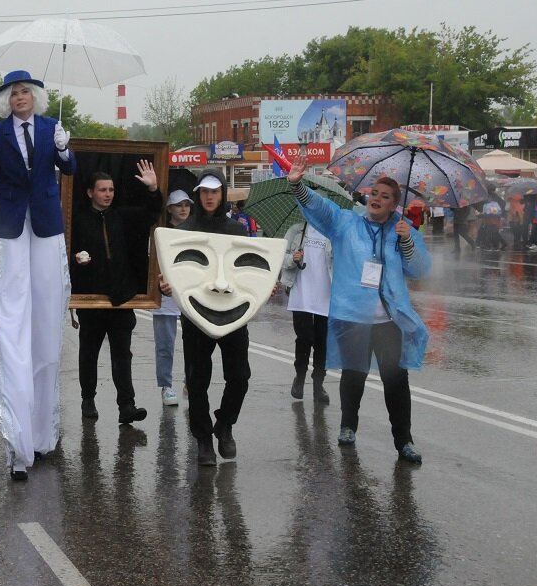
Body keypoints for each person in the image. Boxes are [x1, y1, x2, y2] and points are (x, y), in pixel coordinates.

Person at [0, 69, 76, 482]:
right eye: (13, 93)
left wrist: (63, 150)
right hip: (10, 227)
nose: (20, 98)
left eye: (25, 92)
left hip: (45, 225)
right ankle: (17, 439)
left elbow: (72, 168)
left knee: (46, 325)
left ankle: (43, 435)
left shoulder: (51, 128)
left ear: (36, 97)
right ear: (6, 101)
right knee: (12, 320)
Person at [288, 153, 432, 464]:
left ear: (394, 204)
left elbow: (420, 269)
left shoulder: (402, 230)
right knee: (354, 375)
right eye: (374, 193)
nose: (376, 199)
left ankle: (404, 440)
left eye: (385, 197)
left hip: (388, 320)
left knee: (396, 380)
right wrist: (299, 186)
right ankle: (347, 426)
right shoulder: (346, 224)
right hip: (354, 317)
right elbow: (321, 210)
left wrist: (407, 242)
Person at [71, 163, 161, 425]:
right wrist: (77, 258)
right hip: (91, 296)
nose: (108, 194)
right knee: (89, 352)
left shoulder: (121, 216)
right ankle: (88, 399)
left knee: (122, 354)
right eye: (102, 190)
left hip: (121, 296)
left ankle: (127, 406)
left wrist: (153, 188)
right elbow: (68, 248)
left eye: (111, 189)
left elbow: (151, 214)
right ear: (90, 193)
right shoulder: (77, 219)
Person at [175, 169, 253, 467]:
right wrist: (166, 284)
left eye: (214, 191)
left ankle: (224, 425)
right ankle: (204, 439)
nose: (209, 197)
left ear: (222, 194)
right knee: (197, 381)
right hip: (195, 316)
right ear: (198, 195)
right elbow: (174, 270)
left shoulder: (237, 231)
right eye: (204, 191)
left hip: (233, 314)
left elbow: (247, 269)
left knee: (240, 377)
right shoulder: (184, 231)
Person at [280, 219, 332, 403]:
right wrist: (292, 258)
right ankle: (299, 378)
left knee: (322, 342)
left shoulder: (332, 232)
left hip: (325, 295)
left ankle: (318, 385)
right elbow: (280, 256)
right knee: (304, 339)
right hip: (301, 293)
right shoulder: (297, 230)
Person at [152, 190, 192, 407]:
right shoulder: (161, 234)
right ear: (169, 209)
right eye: (178, 205)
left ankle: (190, 382)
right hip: (166, 297)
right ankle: (166, 386)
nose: (184, 208)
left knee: (193, 344)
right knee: (165, 345)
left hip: (190, 296)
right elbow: (153, 261)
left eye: (186, 204)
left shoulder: (196, 231)